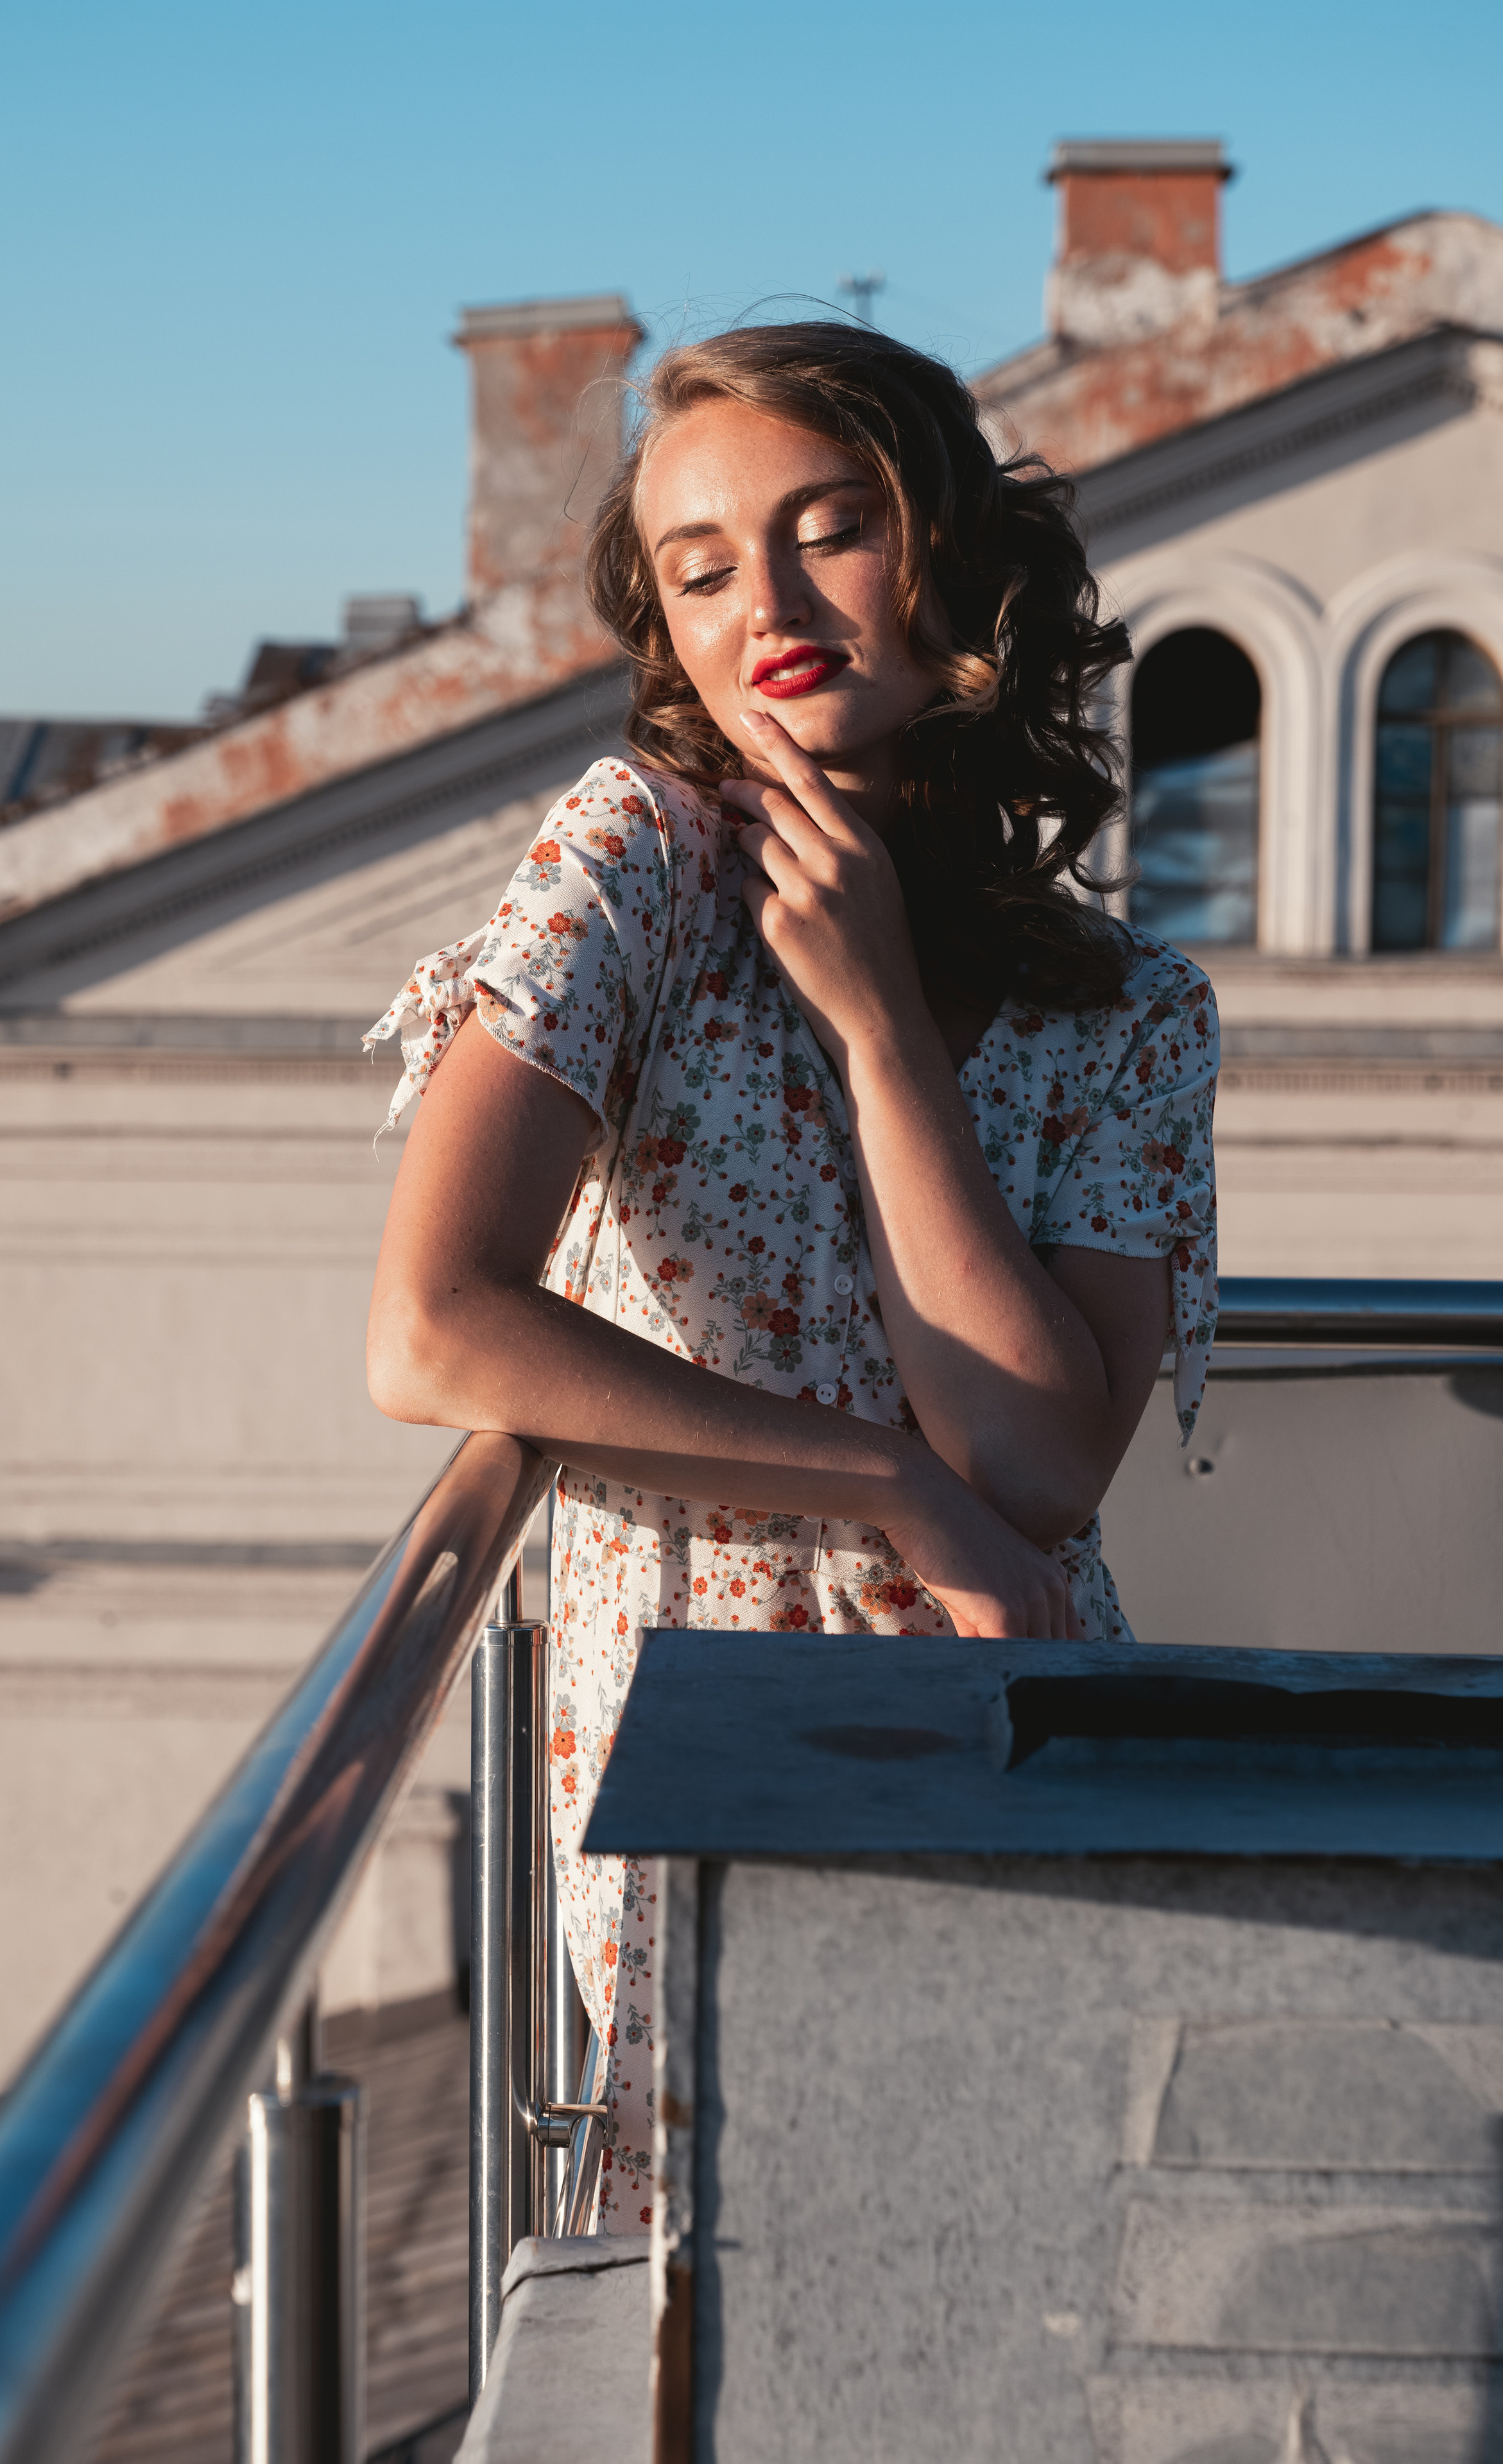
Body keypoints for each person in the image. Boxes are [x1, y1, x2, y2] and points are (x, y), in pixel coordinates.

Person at [364, 323, 1219, 2228]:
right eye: (696, 567)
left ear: (951, 561)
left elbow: (1039, 1469)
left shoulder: (1132, 1010)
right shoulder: (633, 864)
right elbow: (433, 1325)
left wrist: (883, 1023)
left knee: (1037, 2275)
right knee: (750, 2295)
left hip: (1023, 1730)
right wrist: (884, 1478)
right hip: (709, 1754)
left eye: (828, 531)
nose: (765, 604)